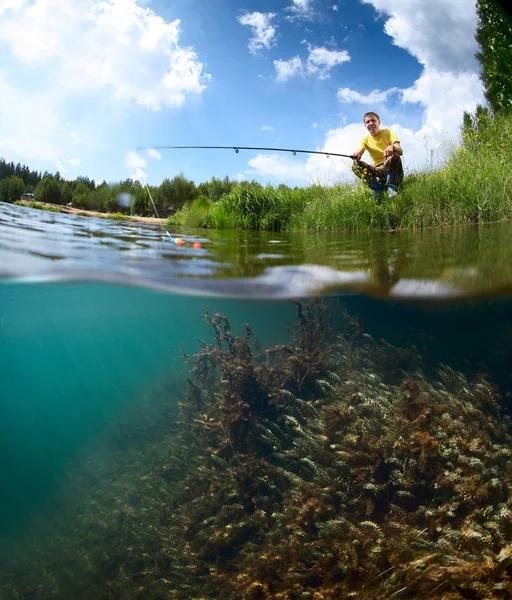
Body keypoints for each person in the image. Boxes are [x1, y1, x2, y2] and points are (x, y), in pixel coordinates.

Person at [351, 112, 403, 200]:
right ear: (365, 125)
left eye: (373, 121)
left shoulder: (388, 131)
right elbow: (359, 150)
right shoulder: (365, 139)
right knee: (355, 165)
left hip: (391, 168)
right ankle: (378, 188)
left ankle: (392, 186)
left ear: (379, 122)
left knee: (394, 156)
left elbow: (400, 150)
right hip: (378, 171)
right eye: (368, 122)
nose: (370, 123)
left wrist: (392, 147)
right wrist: (356, 155)